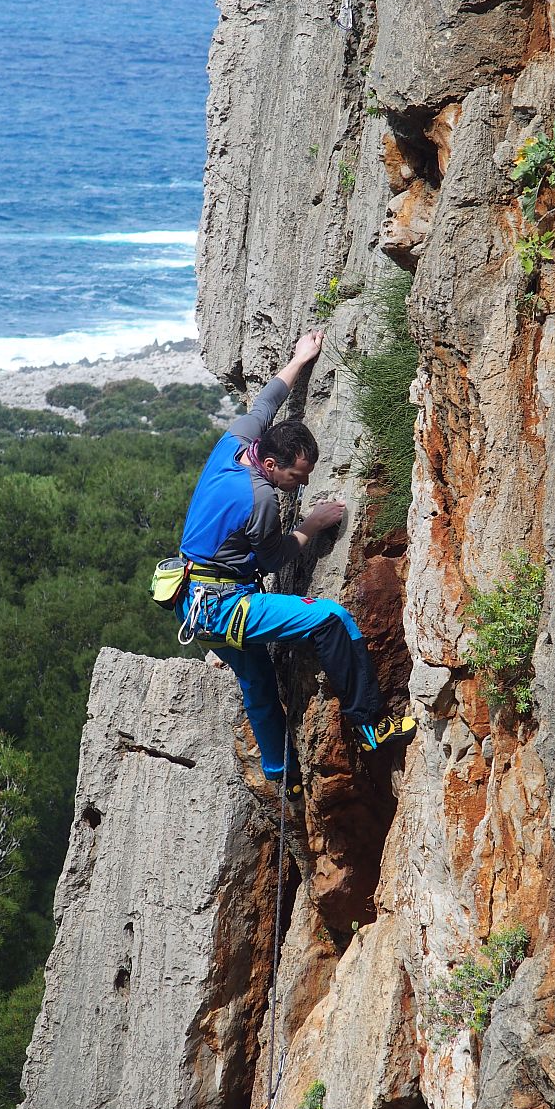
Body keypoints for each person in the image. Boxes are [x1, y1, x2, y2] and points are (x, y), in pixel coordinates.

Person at [176, 330, 415, 796]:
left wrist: (300, 359)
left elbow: (266, 402)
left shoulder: (234, 445)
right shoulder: (260, 498)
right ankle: (371, 727)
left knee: (258, 679)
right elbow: (275, 558)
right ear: (270, 465)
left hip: (192, 603)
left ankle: (278, 773)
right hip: (224, 608)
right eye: (295, 476)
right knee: (331, 619)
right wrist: (312, 523)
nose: (298, 484)